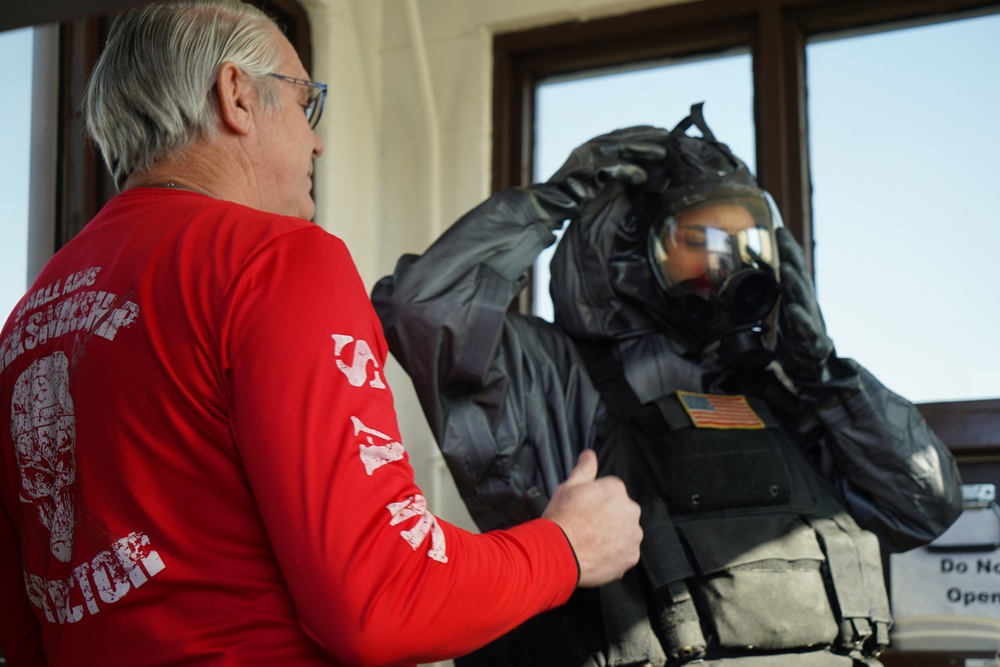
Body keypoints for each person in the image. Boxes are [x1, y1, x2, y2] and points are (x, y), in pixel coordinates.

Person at [0, 2, 645, 665]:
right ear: (237, 97)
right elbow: (383, 596)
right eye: (305, 102)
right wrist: (566, 546)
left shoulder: (31, 318)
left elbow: (21, 623)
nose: (318, 142)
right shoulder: (276, 260)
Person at [370, 104, 965, 666]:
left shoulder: (776, 383)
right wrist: (559, 197)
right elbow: (421, 309)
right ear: (632, 247)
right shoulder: (551, 373)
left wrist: (825, 374)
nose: (728, 265)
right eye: (700, 241)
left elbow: (923, 506)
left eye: (746, 244)